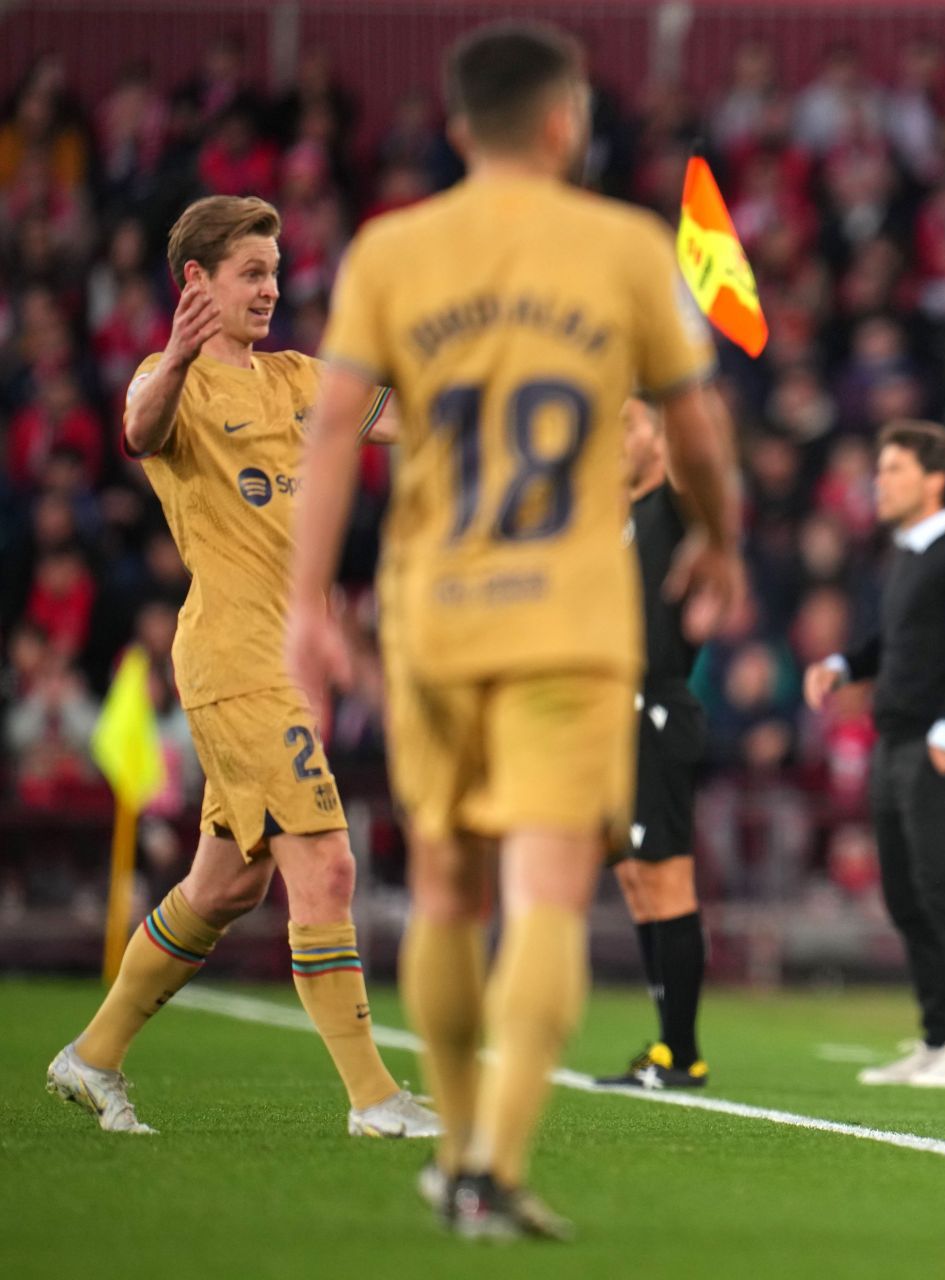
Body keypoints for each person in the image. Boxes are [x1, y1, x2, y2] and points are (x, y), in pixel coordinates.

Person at [286, 21, 744, 1240]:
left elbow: (331, 432)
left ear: (453, 129)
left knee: (445, 885)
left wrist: (304, 606)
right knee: (546, 886)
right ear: (563, 125)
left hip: (436, 609)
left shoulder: (392, 249)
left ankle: (450, 1144)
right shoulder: (624, 246)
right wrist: (723, 536)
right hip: (571, 620)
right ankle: (491, 1160)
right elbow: (694, 430)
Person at [45, 195, 438, 1141]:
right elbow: (139, 430)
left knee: (226, 888)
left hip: (288, 665)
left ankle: (90, 1059)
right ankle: (375, 1099)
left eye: (273, 270)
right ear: (196, 284)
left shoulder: (302, 377)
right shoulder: (166, 382)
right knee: (328, 865)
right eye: (251, 273)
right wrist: (177, 356)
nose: (271, 286)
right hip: (233, 655)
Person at [803, 421, 945, 1088]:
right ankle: (938, 1036)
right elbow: (890, 641)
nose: (879, 480)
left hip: (936, 743)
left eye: (892, 468)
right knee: (904, 895)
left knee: (944, 886)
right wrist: (841, 663)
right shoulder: (907, 558)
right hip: (894, 743)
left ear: (933, 480)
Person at [597, 398, 714, 1091]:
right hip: (616, 714)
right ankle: (668, 1043)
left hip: (657, 708)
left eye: (629, 423)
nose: (615, 435)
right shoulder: (624, 516)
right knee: (636, 879)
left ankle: (684, 1050)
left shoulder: (677, 506)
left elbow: (707, 458)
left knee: (666, 877)